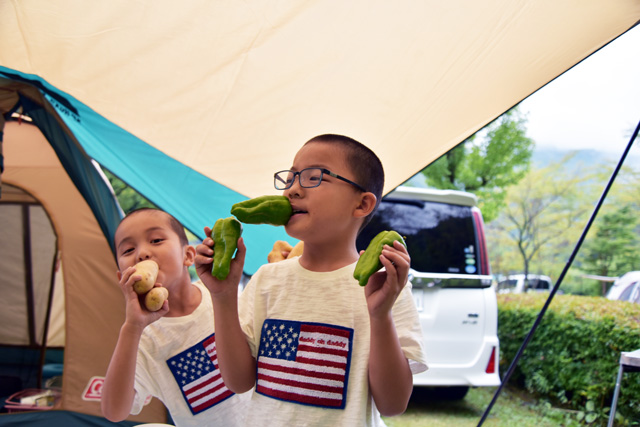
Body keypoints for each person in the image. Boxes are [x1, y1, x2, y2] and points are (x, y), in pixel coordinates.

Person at [195, 134, 427, 426]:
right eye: (290, 178)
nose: (292, 189)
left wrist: (380, 316)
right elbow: (238, 381)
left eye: (313, 177)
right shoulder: (267, 279)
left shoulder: (383, 285)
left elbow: (393, 404)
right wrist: (223, 296)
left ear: (362, 204)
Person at [102, 208, 249, 426]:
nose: (141, 253)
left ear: (188, 255)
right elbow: (114, 411)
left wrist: (223, 294)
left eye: (156, 240)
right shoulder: (143, 340)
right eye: (128, 249)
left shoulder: (224, 293)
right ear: (121, 277)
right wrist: (132, 328)